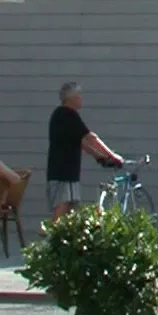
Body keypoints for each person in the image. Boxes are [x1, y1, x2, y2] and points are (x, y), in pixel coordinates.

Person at [47, 81, 123, 219]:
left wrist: (99, 157)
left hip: (66, 174)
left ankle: (62, 239)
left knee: (71, 212)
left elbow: (80, 142)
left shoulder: (60, 115)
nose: (81, 98)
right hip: (63, 174)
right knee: (62, 208)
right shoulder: (68, 114)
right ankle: (50, 238)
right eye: (79, 95)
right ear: (72, 98)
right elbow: (90, 137)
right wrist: (112, 155)